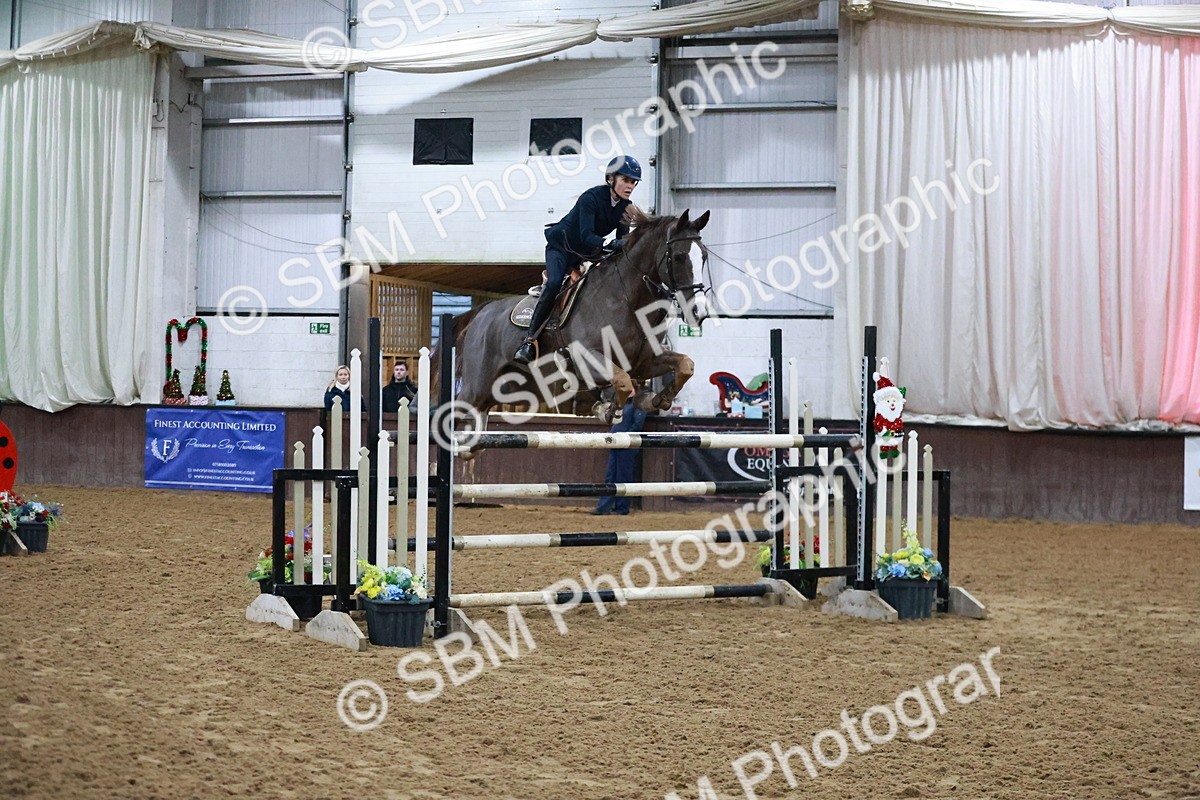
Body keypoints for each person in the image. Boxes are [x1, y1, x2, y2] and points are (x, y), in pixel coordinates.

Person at [514, 154, 642, 364]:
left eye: (633, 182)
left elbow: (622, 241)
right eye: (625, 180)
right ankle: (528, 341)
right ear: (611, 179)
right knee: (555, 283)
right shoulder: (590, 198)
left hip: (587, 252)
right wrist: (609, 244)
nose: (630, 186)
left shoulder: (625, 207)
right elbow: (585, 235)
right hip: (562, 248)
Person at [592, 399, 649, 516]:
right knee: (611, 475)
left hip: (626, 445)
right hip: (617, 443)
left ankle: (621, 508)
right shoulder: (622, 404)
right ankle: (604, 507)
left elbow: (637, 425)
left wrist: (624, 438)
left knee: (623, 476)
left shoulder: (638, 404)